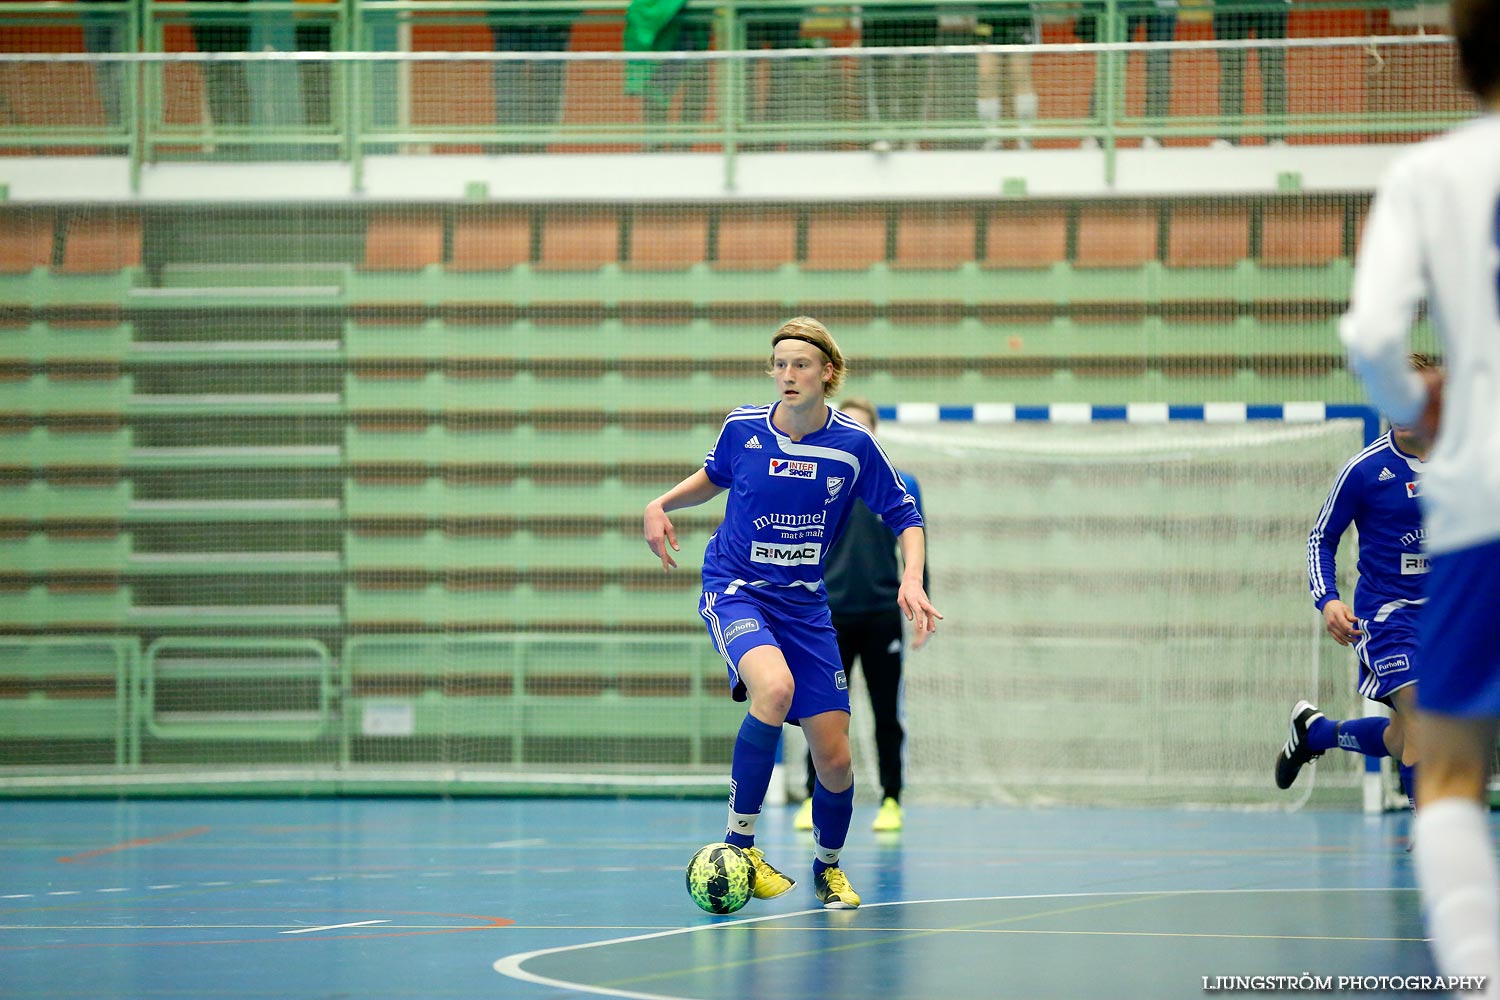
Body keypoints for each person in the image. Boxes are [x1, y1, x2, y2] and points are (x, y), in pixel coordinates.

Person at [643, 318, 941, 910]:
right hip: (736, 589)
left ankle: (827, 867)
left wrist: (912, 578)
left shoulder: (854, 445)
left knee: (835, 761)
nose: (787, 375)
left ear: (827, 373)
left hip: (805, 606)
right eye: (779, 364)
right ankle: (740, 844)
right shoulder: (744, 429)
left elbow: (905, 515)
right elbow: (713, 479)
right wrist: (660, 503)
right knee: (773, 691)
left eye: (800, 364)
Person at [1337, 0, 1500, 982]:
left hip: (1482, 499)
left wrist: (1415, 404)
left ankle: (1479, 972)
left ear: (1458, 55)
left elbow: (1369, 339)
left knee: (1446, 772)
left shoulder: (1428, 175)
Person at [1275, 355, 1435, 810]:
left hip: (1444, 616)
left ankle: (1316, 732)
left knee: (1403, 736)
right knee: (1420, 716)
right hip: (1385, 617)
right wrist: (1327, 601)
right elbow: (1320, 539)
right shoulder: (1364, 471)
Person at [792, 398, 928, 833]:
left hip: (882, 615)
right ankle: (813, 797)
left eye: (863, 427)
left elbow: (916, 551)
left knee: (886, 712)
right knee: (820, 712)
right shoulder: (819, 480)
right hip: (826, 617)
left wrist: (920, 602)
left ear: (874, 434)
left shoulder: (900, 484)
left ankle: (891, 799)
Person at [1076, 0, 1176, 148]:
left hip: (1162, 5)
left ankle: (1154, 135)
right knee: (1111, 62)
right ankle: (1097, 133)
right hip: (1122, 3)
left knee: (1158, 64)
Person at [489, 1, 574, 153]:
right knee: (508, 78)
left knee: (549, 77)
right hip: (508, 18)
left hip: (552, 20)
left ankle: (540, 142)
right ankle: (510, 142)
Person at [1211, 0, 1289, 146]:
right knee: (1230, 71)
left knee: (1273, 70)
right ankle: (1229, 136)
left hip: (1271, 5)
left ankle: (1276, 137)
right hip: (1229, 5)